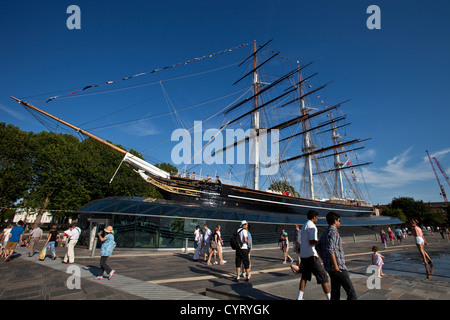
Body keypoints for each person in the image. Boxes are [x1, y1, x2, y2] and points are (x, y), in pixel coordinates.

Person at [317, 212, 357, 300]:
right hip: (338, 267)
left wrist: (324, 260)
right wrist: (335, 266)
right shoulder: (334, 232)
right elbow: (331, 249)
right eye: (339, 220)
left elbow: (317, 247)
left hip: (330, 268)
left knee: (335, 293)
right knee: (352, 293)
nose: (340, 222)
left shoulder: (325, 232)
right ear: (335, 221)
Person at [298, 210, 330, 300]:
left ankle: (300, 297)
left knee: (304, 277)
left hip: (303, 255)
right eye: (317, 217)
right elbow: (312, 242)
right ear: (314, 217)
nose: (317, 219)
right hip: (312, 255)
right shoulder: (312, 227)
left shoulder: (304, 226)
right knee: (323, 276)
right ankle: (329, 297)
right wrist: (320, 242)